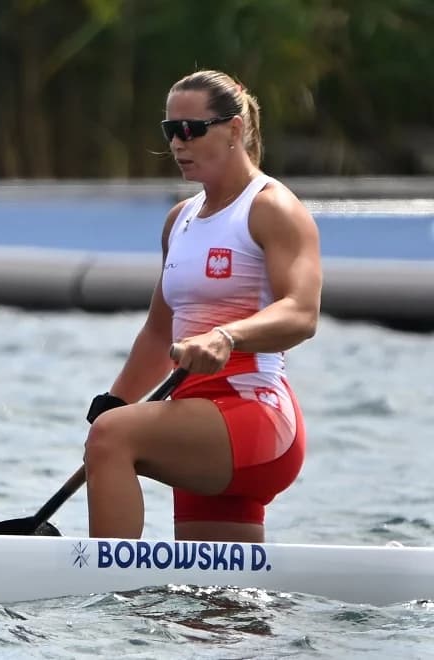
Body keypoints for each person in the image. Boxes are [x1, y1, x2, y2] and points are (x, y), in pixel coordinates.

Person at [82, 70, 322, 543]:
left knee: (114, 438)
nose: (178, 143)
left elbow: (301, 312)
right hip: (198, 422)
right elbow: (158, 331)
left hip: (254, 413)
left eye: (191, 129)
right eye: (170, 130)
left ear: (234, 129)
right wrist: (116, 402)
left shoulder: (272, 208)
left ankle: (104, 605)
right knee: (215, 608)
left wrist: (227, 336)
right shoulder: (181, 219)